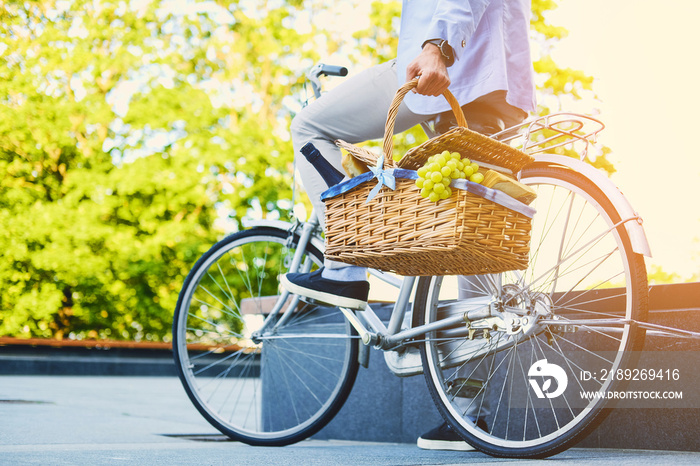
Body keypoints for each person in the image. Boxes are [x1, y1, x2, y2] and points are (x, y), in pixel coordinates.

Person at [281, 0, 536, 451]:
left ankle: (343, 267)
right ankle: (467, 416)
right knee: (472, 248)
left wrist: (438, 46)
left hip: (446, 66)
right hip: (497, 80)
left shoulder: (441, 49)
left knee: (309, 126)